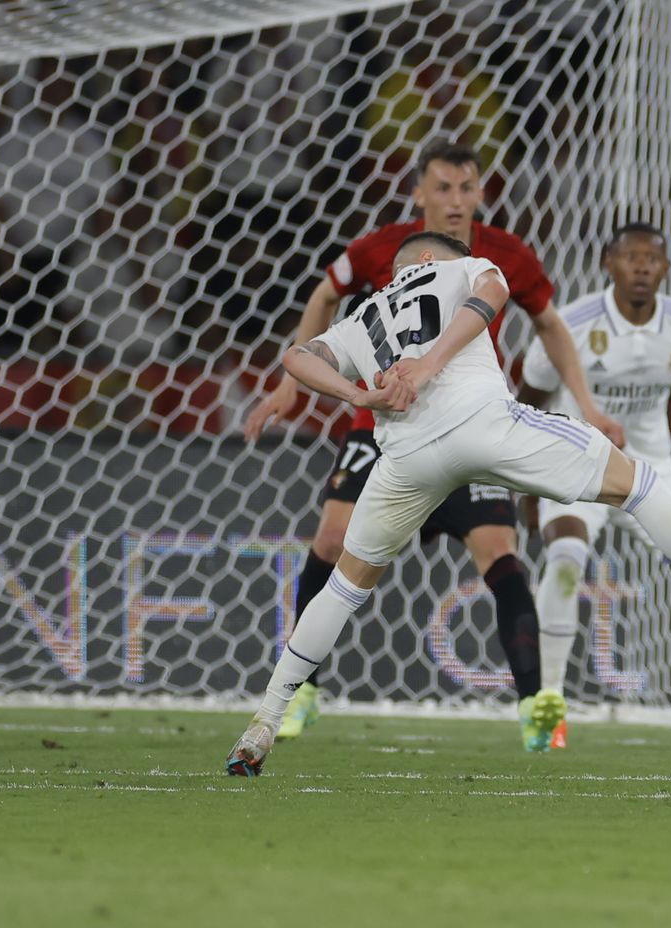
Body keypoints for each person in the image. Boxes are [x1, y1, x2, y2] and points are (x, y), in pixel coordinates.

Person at [226, 232, 671, 776]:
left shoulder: (361, 318)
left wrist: (361, 392)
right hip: (485, 423)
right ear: (432, 259)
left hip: (404, 452)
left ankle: (264, 723)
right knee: (639, 483)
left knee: (345, 586)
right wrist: (431, 363)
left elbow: (296, 358)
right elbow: (493, 290)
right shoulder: (463, 267)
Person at [242, 141, 622, 750]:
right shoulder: (383, 249)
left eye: (466, 188)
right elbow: (324, 295)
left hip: (472, 421)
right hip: (383, 427)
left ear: (480, 193)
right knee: (335, 541)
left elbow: (550, 324)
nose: (454, 200)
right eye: (442, 188)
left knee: (498, 549)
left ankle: (535, 706)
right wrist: (292, 386)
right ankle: (302, 692)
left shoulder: (506, 255)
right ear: (418, 193)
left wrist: (590, 405)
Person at [515, 224, 671, 745]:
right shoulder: (571, 324)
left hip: (650, 465)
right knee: (565, 558)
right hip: (573, 464)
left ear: (666, 268)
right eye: (630, 257)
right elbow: (529, 399)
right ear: (608, 263)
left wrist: (660, 458)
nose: (641, 267)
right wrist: (526, 482)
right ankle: (550, 702)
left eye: (652, 258)